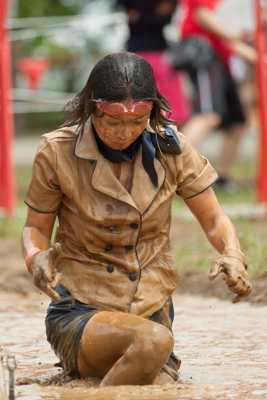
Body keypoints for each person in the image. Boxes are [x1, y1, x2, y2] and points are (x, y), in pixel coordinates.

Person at [21, 51, 252, 387]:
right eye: (111, 122)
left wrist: (232, 253)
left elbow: (214, 217)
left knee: (159, 383)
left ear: (152, 113)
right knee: (150, 343)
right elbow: (35, 228)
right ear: (91, 109)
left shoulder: (172, 148)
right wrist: (35, 256)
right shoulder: (57, 152)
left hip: (152, 311)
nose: (123, 132)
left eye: (136, 121)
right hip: (81, 309)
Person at [177, 0, 257, 188]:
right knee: (208, 116)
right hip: (204, 53)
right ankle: (167, 171)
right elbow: (203, 16)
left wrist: (256, 56)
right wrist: (236, 36)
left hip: (222, 59)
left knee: (238, 122)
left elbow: (228, 39)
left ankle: (222, 179)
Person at [115, 0, 191, 124]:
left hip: (147, 52)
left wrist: (140, 17)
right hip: (149, 53)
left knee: (161, 109)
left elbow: (160, 18)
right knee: (169, 111)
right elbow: (163, 17)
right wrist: (153, 16)